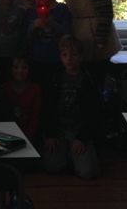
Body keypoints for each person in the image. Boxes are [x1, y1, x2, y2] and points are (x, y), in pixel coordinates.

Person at [60, 0, 122, 89]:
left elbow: (106, 13)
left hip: (96, 35)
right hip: (78, 34)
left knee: (95, 83)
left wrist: (100, 43)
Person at [42, 35, 102, 179]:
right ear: (60, 57)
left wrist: (83, 138)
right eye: (65, 55)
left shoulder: (89, 79)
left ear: (81, 57)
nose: (69, 59)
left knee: (87, 172)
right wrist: (50, 134)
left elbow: (94, 112)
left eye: (73, 55)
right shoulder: (55, 77)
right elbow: (47, 107)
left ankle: (74, 154)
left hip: (78, 129)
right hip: (59, 129)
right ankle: (66, 154)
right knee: (52, 166)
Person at [28, 0, 72, 88]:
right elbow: (29, 35)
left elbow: (68, 32)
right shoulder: (35, 11)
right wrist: (35, 26)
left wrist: (54, 24)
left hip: (57, 58)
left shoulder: (63, 9)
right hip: (38, 58)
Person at [2, 55, 42, 142]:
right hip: (7, 135)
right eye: (16, 67)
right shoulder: (4, 88)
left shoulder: (35, 89)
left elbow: (35, 116)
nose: (20, 71)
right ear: (11, 69)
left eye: (24, 67)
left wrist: (26, 137)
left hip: (29, 135)